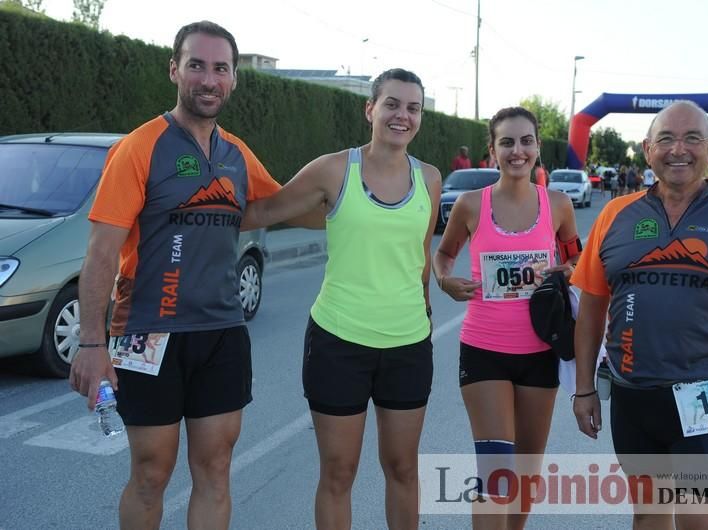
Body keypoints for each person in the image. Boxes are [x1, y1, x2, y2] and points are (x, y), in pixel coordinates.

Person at [69, 21, 282, 530]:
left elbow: (282, 203)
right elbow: (100, 254)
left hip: (221, 334)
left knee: (215, 468)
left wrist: (365, 188)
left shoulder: (235, 153)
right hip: (147, 330)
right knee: (151, 471)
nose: (209, 80)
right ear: (174, 70)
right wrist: (93, 345)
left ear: (233, 79)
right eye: (196, 65)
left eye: (221, 69)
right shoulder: (140, 147)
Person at [571, 100, 708, 530]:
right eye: (666, 138)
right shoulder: (615, 215)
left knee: (702, 523)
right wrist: (583, 390)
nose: (679, 149)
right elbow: (592, 309)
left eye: (692, 138)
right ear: (647, 148)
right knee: (649, 516)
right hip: (633, 393)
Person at [243, 68, 441, 530]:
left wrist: (425, 308)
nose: (402, 115)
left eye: (413, 108)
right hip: (338, 342)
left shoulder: (429, 178)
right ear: (370, 109)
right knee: (338, 472)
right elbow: (266, 211)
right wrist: (189, 213)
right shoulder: (334, 169)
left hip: (408, 345)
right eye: (392, 104)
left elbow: (420, 257)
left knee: (403, 469)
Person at [433, 106, 579, 530]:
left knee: (527, 472)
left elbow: (578, 262)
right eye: (507, 142)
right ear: (492, 151)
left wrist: (567, 271)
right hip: (484, 351)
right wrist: (445, 280)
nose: (518, 151)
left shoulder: (559, 205)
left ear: (537, 147)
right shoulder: (469, 204)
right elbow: (443, 254)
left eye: (526, 141)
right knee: (498, 470)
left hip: (540, 351)